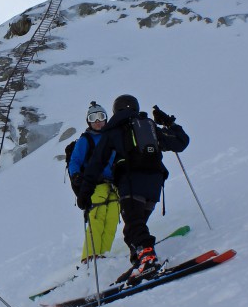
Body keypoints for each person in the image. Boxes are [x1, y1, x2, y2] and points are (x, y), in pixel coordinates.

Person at [76, 97, 190, 279]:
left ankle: (147, 258)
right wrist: (169, 122)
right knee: (134, 227)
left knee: (134, 225)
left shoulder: (113, 131)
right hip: (154, 185)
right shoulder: (148, 126)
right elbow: (181, 142)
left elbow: (96, 164)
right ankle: (139, 259)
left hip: (131, 182)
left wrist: (84, 193)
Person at [67, 102, 120, 262]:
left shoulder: (111, 137)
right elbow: (75, 160)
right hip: (95, 185)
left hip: (113, 185)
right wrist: (76, 175)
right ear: (88, 121)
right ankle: (89, 258)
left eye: (101, 117)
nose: (98, 121)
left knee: (111, 221)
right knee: (97, 219)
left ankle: (103, 255)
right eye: (93, 118)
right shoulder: (86, 140)